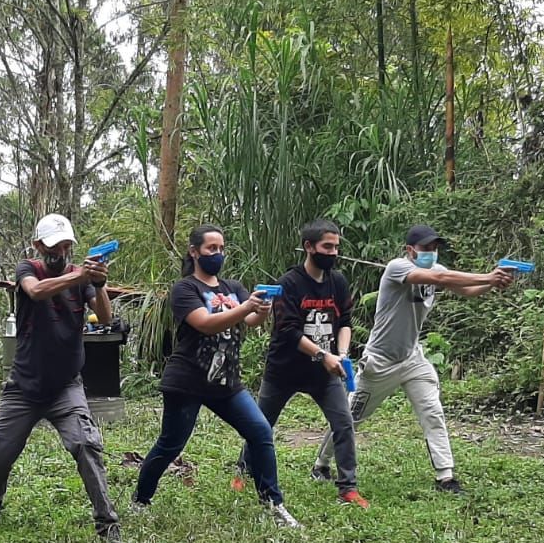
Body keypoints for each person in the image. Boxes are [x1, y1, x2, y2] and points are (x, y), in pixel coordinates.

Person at [314, 224, 512, 493]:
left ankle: (446, 477)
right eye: (426, 249)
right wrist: (487, 275)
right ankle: (321, 464)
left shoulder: (438, 270)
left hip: (412, 358)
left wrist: (492, 283)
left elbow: (467, 290)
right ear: (410, 250)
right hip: (380, 361)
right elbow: (441, 281)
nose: (432, 253)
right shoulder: (398, 267)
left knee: (433, 411)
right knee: (351, 417)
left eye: (435, 248)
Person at [133, 224, 300, 527]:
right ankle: (141, 500)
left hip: (226, 382)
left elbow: (251, 321)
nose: (218, 254)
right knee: (171, 444)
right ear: (194, 251)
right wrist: (248, 305)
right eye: (212, 248)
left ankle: (273, 505)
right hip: (187, 381)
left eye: (222, 249)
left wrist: (262, 307)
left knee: (261, 432)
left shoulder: (232, 287)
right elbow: (206, 323)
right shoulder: (185, 289)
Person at [0, 213, 123, 543]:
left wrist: (97, 284)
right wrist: (81, 276)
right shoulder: (27, 269)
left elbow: (104, 316)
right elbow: (37, 291)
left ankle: (107, 525)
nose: (61, 251)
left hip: (66, 386)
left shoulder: (81, 276)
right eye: (54, 245)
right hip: (24, 387)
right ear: (39, 245)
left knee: (86, 445)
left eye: (66, 244)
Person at [237, 218, 368, 508]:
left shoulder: (339, 282)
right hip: (284, 369)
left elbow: (344, 322)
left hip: (324, 373)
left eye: (336, 247)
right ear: (309, 247)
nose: (333, 252)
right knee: (262, 425)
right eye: (327, 246)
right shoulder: (290, 283)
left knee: (344, 423)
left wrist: (341, 354)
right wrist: (323, 355)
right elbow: (288, 331)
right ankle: (243, 469)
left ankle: (348, 487)